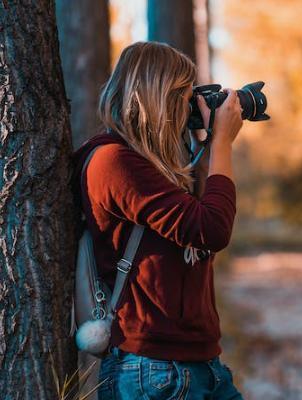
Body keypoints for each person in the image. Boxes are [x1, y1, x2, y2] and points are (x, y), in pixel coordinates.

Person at [71, 41, 243, 399]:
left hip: (199, 364)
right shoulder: (113, 162)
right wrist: (222, 144)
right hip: (153, 369)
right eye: (184, 94)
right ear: (158, 96)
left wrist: (208, 140)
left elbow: (202, 218)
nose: (189, 106)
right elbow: (211, 229)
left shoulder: (156, 166)